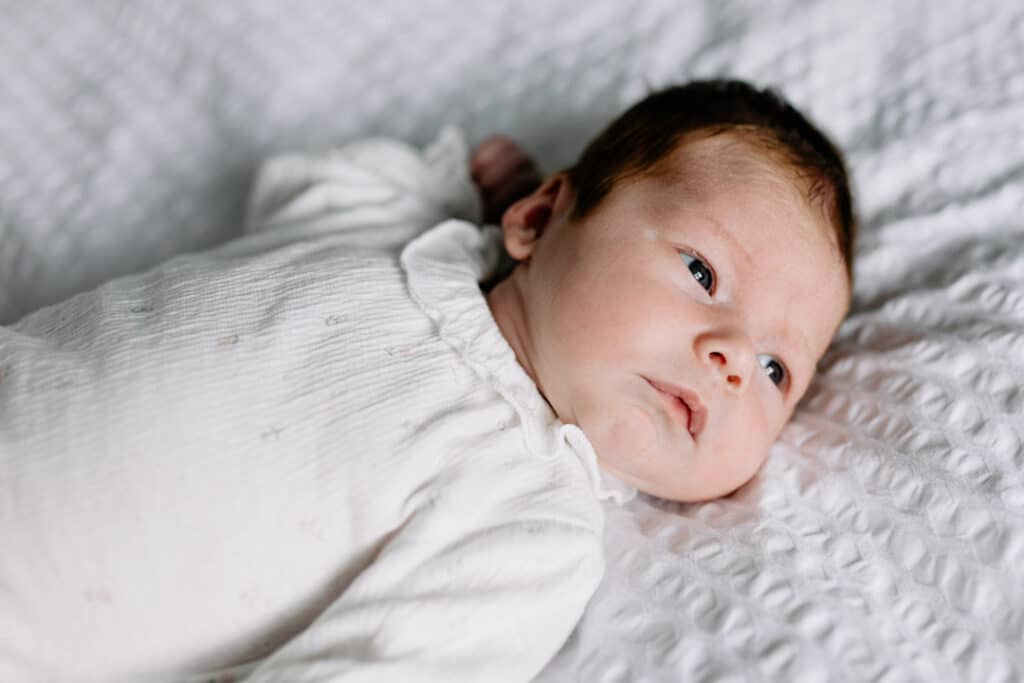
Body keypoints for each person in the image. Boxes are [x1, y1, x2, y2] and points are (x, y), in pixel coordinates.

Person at [0, 80, 854, 682]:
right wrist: (467, 195)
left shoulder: (532, 533)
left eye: (778, 367)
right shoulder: (398, 230)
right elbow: (307, 182)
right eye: (704, 272)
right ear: (539, 217)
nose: (734, 355)